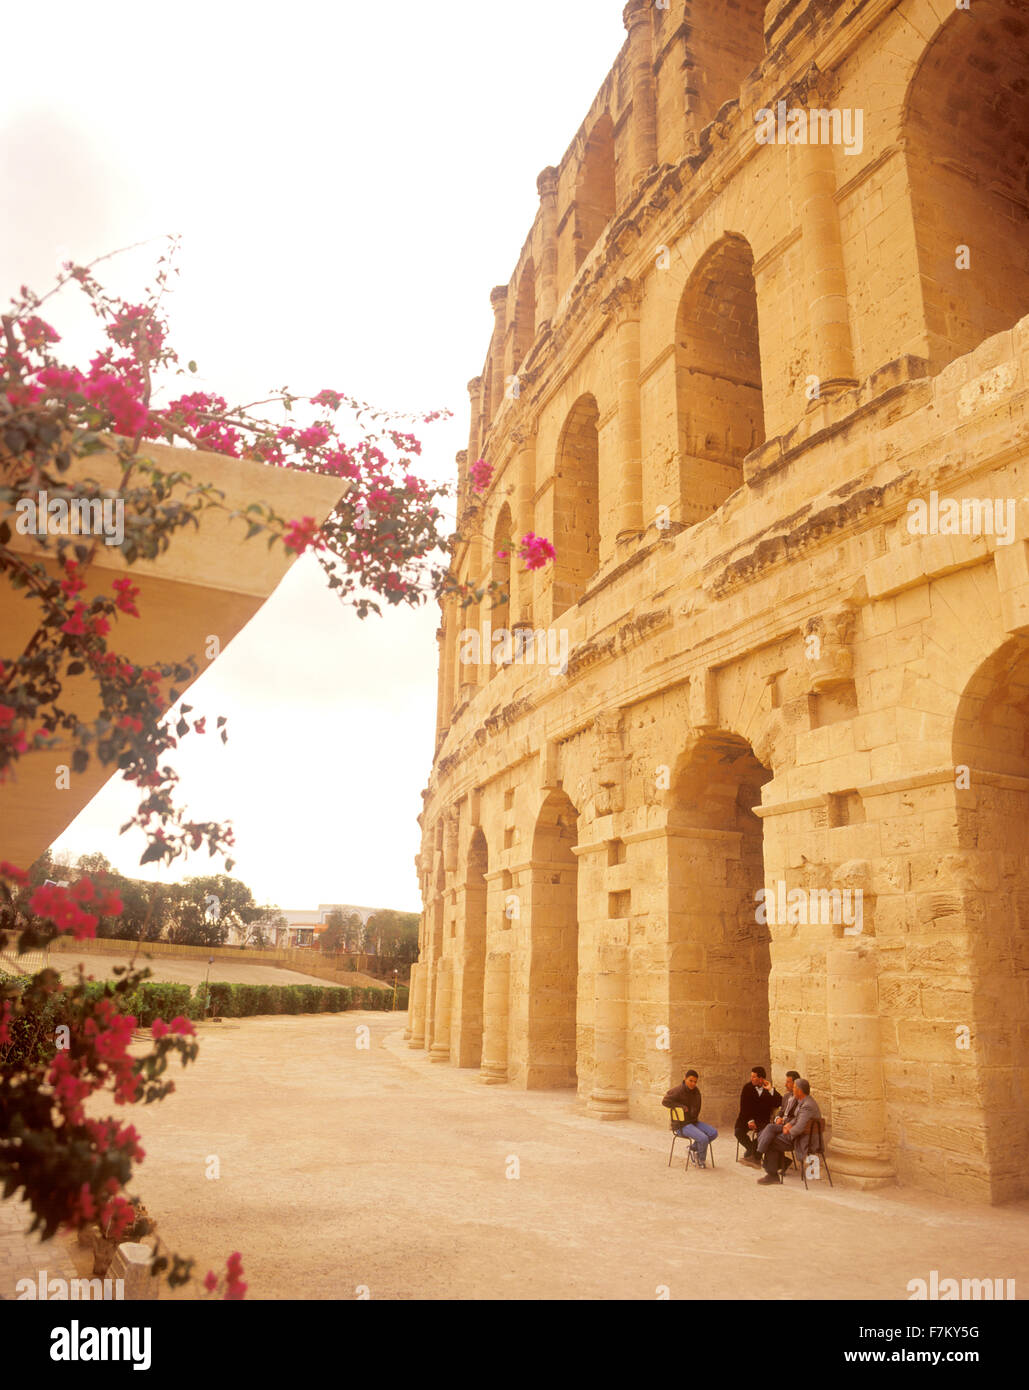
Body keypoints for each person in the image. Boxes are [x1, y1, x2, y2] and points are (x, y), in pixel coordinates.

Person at [757, 1078, 822, 1185]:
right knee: (769, 1135)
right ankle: (767, 1166)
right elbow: (797, 1119)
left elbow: (799, 1127)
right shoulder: (804, 1102)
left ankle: (770, 1173)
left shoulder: (807, 1105)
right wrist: (789, 1124)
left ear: (800, 1091)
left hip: (802, 1139)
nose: (793, 1089)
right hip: (799, 1136)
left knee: (771, 1141)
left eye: (795, 1088)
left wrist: (787, 1130)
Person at [662, 1068, 718, 1168]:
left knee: (713, 1133)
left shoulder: (696, 1092)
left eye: (695, 1082)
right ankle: (701, 1159)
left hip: (693, 1121)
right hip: (681, 1125)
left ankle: (692, 1149)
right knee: (703, 1138)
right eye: (690, 1080)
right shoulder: (678, 1090)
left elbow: (697, 1108)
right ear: (685, 1079)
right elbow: (665, 1101)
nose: (693, 1083)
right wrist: (680, 1106)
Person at [734, 1066, 781, 1165]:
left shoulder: (769, 1090)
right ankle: (752, 1151)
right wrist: (750, 1120)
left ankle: (752, 1154)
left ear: (761, 1079)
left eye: (754, 1077)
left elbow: (779, 1102)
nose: (751, 1079)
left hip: (762, 1121)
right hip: (747, 1118)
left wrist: (770, 1090)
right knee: (738, 1132)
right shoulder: (747, 1088)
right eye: (751, 1076)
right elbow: (744, 1107)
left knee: (764, 1136)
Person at [756, 1070, 800, 1165]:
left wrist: (783, 1121)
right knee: (761, 1134)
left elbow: (798, 1118)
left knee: (769, 1130)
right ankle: (783, 1162)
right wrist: (777, 1119)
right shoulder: (787, 1096)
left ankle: (757, 1157)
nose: (785, 1084)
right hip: (780, 1125)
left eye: (788, 1082)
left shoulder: (800, 1099)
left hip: (788, 1127)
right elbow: (780, 1111)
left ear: (795, 1083)